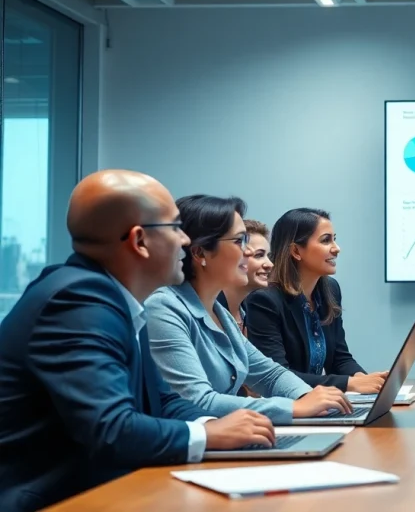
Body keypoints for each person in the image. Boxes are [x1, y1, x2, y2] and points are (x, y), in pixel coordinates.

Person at [0, 170, 276, 512]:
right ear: (139, 240)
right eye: (175, 227)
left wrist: (216, 425)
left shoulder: (118, 297)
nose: (185, 241)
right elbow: (112, 429)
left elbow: (163, 401)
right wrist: (208, 436)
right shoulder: (79, 301)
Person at [145, 195, 352, 425]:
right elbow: (197, 401)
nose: (247, 252)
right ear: (200, 253)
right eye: (239, 241)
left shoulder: (219, 313)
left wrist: (308, 397)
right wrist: (294, 407)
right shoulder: (164, 308)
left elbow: (269, 374)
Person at [247, 208, 386, 394]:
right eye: (326, 240)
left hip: (319, 404)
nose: (336, 248)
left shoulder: (330, 290)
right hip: (289, 405)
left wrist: (365, 379)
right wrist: (348, 383)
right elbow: (278, 377)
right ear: (296, 251)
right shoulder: (264, 300)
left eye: (334, 239)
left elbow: (340, 359)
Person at [218, 219, 273, 336]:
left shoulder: (249, 311)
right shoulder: (209, 310)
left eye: (268, 256)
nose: (270, 264)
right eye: (259, 255)